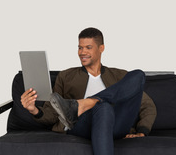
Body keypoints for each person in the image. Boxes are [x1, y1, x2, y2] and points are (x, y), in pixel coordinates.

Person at [21, 27, 157, 155]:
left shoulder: (118, 76)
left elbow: (148, 106)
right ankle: (89, 105)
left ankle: (83, 104)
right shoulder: (66, 76)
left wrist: (142, 131)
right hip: (81, 125)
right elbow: (52, 112)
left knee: (138, 75)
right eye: (80, 47)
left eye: (88, 47)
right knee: (103, 107)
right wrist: (34, 110)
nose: (82, 52)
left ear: (101, 48)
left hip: (117, 124)